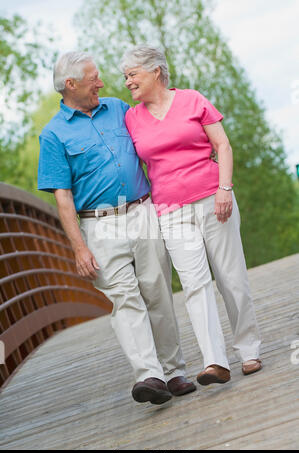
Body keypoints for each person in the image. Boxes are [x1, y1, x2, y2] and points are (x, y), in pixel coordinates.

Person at [37, 51, 196, 405]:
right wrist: (79, 247)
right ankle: (149, 376)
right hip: (99, 224)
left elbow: (158, 139)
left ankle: (174, 371)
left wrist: (197, 152)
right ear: (70, 84)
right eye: (94, 78)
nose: (102, 83)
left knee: (156, 290)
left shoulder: (120, 109)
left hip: (143, 210)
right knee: (125, 298)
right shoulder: (53, 135)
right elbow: (63, 200)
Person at [121, 45, 262, 383]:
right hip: (170, 210)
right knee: (195, 284)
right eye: (125, 76)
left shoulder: (192, 100)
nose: (127, 82)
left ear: (156, 71)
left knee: (231, 277)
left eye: (132, 74)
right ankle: (216, 362)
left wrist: (224, 188)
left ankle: (249, 350)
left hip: (213, 200)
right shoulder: (132, 118)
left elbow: (222, 146)